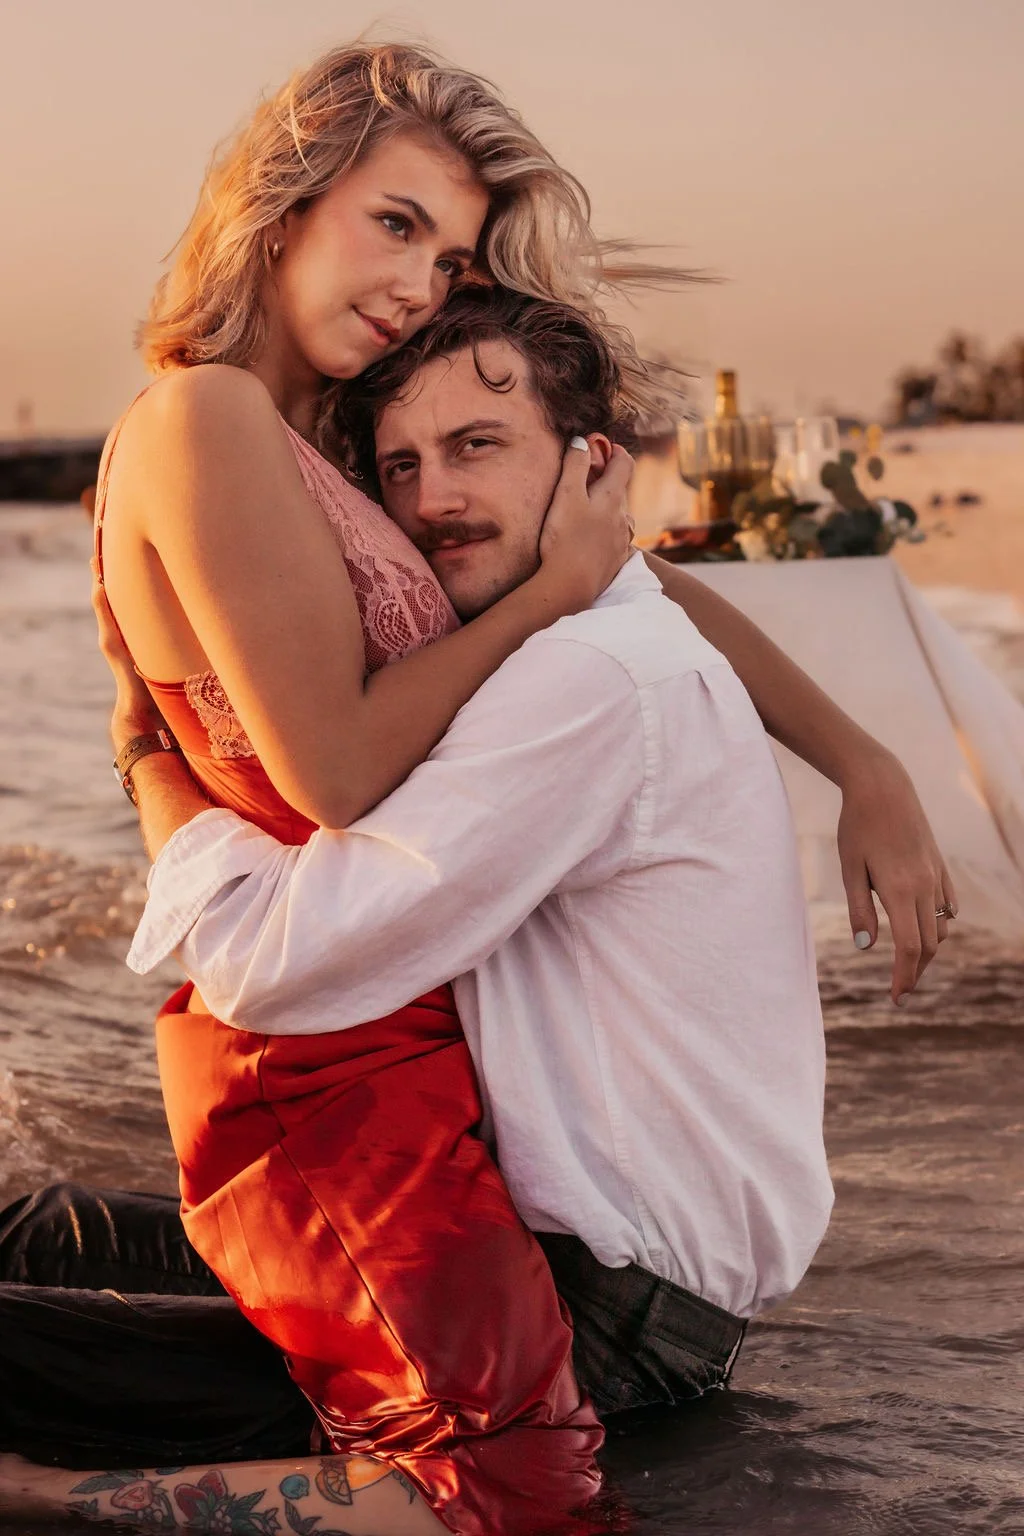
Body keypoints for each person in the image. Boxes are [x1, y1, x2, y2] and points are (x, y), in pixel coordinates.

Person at [0, 288, 955, 1535]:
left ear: (592, 469)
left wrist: (144, 745)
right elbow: (652, 587)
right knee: (37, 1227)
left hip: (594, 1327)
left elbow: (276, 962)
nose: (433, 495)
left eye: (477, 446)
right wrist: (862, 759)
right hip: (571, 1262)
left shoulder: (583, 681)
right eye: (400, 465)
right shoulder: (601, 631)